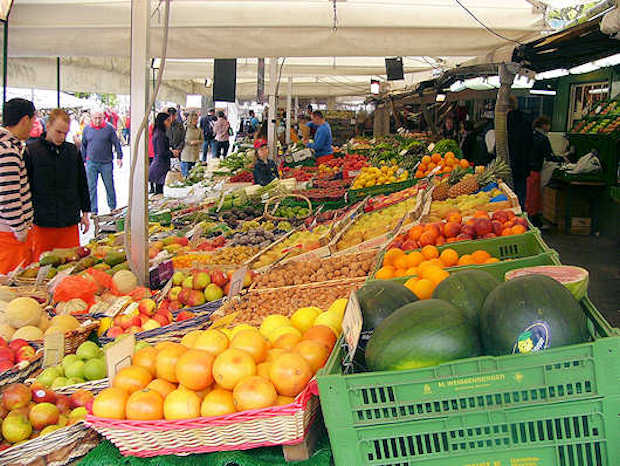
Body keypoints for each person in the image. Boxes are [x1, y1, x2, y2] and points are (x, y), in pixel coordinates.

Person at [24, 109, 90, 261]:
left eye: (65, 133)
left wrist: (85, 213)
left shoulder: (72, 151)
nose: (61, 137)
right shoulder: (31, 151)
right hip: (42, 223)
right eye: (58, 132)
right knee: (41, 264)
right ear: (48, 126)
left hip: (69, 221)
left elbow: (82, 182)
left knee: (71, 264)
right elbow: (26, 187)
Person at [0, 98, 35, 274]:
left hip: (9, 232)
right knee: (11, 288)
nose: (33, 126)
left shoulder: (8, 147)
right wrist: (20, 230)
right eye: (33, 121)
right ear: (25, 120)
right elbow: (8, 197)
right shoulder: (8, 151)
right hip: (9, 235)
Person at [81, 110, 123, 215]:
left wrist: (119, 156)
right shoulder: (86, 129)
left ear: (103, 118)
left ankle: (112, 207)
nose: (97, 120)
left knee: (109, 185)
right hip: (91, 162)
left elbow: (116, 143)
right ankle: (93, 210)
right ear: (91, 118)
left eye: (100, 118)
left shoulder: (109, 128)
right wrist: (83, 161)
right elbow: (84, 145)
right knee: (91, 187)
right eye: (95, 118)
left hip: (106, 162)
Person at [527, 116, 564, 227]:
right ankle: (533, 223)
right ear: (544, 125)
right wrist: (563, 159)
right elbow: (549, 156)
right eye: (548, 124)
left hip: (526, 170)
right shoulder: (543, 139)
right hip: (534, 171)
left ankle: (529, 221)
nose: (549, 127)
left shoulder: (529, 136)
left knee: (529, 198)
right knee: (534, 198)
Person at [507, 96, 533, 208]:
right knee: (521, 197)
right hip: (523, 166)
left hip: (510, 164)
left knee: (509, 195)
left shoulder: (505, 121)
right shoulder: (526, 121)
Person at [149, 112, 174, 195]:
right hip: (160, 165)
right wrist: (172, 153)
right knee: (159, 190)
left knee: (160, 189)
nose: (170, 122)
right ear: (163, 121)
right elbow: (161, 152)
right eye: (168, 120)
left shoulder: (159, 132)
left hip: (161, 163)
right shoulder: (160, 135)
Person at [180, 112, 202, 177]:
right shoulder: (185, 128)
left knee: (192, 175)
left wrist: (198, 141)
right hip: (186, 154)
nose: (196, 121)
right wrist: (189, 142)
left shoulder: (198, 129)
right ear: (190, 119)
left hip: (195, 155)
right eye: (194, 119)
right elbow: (181, 138)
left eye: (197, 119)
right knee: (186, 176)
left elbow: (202, 139)